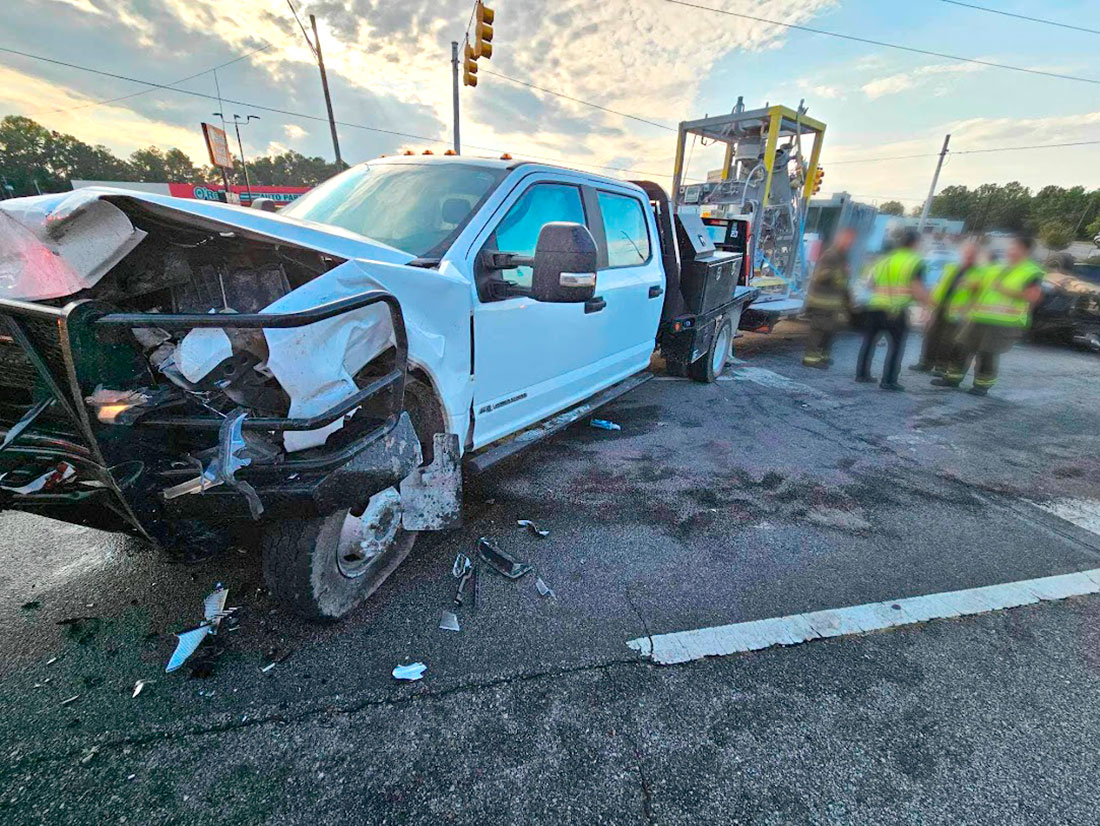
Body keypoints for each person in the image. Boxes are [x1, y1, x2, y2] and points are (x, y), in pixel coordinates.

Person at [932, 233, 1044, 396]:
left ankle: (981, 386)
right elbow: (982, 285)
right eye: (1011, 247)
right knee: (961, 346)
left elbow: (1033, 296)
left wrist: (1004, 290)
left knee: (987, 353)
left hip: (1004, 321)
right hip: (979, 316)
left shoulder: (1031, 272)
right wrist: (970, 285)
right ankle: (952, 378)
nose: (1011, 250)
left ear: (1025, 251)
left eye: (1016, 248)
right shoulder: (997, 268)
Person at [855, 228, 928, 390]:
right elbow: (917, 288)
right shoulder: (915, 261)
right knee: (896, 346)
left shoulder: (882, 260)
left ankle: (862, 374)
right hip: (896, 310)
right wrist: (928, 305)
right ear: (914, 243)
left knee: (869, 342)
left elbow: (870, 285)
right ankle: (888, 381)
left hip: (875, 306)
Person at [909, 236, 985, 375]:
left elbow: (979, 294)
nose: (968, 255)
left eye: (972, 253)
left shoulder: (980, 273)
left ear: (976, 255)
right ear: (962, 252)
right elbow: (939, 286)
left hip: (958, 311)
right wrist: (929, 305)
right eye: (967, 252)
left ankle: (941, 366)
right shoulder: (951, 268)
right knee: (931, 335)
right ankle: (925, 363)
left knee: (948, 340)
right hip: (940, 307)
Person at [802, 227, 856, 369]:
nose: (849, 242)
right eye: (847, 239)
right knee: (818, 330)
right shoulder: (831, 255)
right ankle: (811, 359)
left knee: (829, 330)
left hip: (832, 302)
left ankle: (822, 356)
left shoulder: (842, 255)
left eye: (851, 240)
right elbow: (821, 276)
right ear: (839, 238)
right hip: (821, 301)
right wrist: (841, 273)